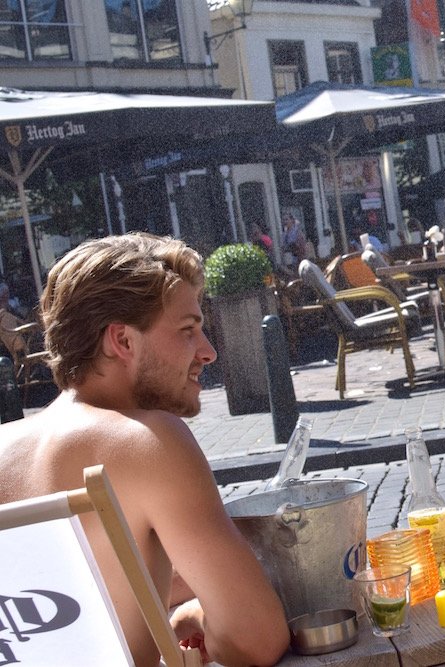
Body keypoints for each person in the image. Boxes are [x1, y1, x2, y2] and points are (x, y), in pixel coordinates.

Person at [0, 234, 289, 666]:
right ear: (123, 341)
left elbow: (68, 597)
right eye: (188, 330)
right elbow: (255, 640)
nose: (208, 352)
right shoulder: (146, 440)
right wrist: (192, 616)